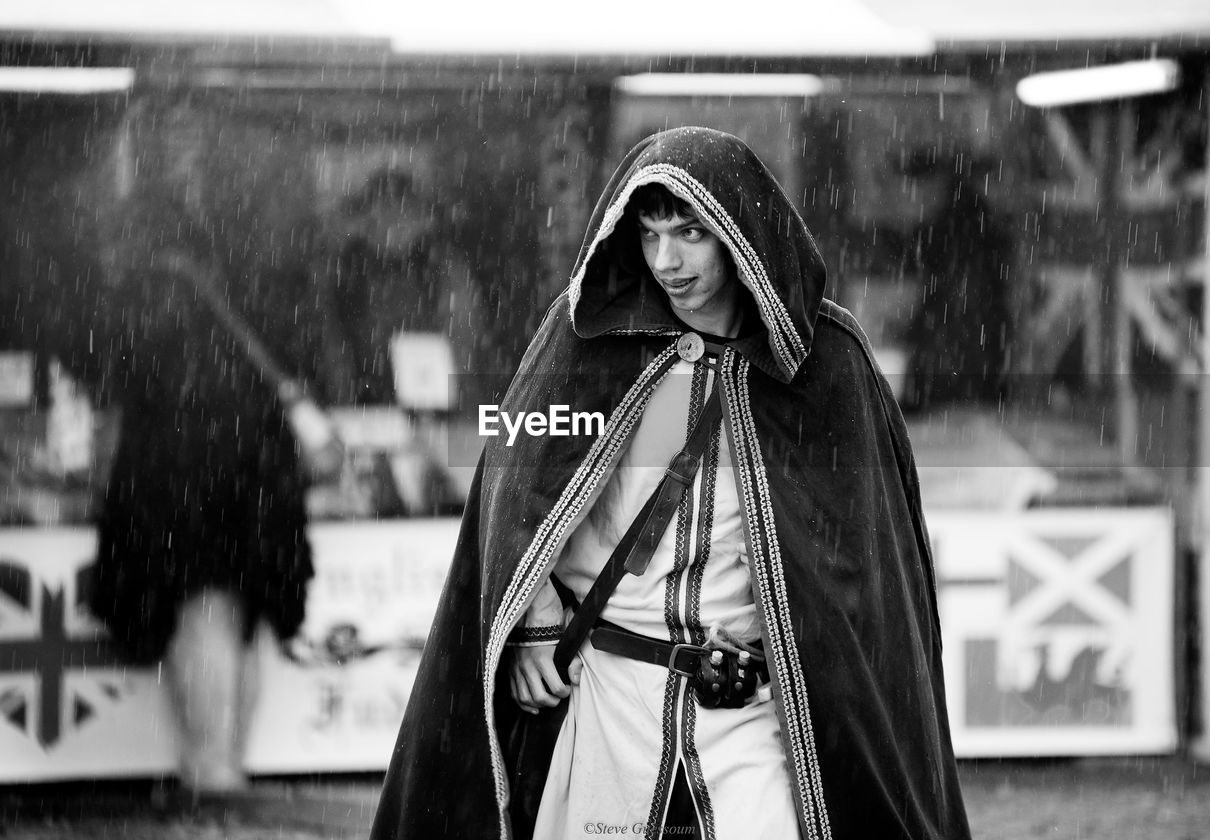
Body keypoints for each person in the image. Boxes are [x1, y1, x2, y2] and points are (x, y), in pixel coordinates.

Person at [370, 126, 971, 839]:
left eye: (690, 233)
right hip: (608, 694)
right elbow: (511, 487)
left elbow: (869, 576)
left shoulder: (824, 365)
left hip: (755, 713)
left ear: (741, 235)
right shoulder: (588, 343)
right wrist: (531, 617)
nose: (667, 261)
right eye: (650, 233)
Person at [89, 245, 316, 800]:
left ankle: (211, 769)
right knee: (237, 620)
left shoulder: (158, 299)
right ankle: (222, 762)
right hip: (255, 472)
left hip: (188, 475)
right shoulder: (246, 296)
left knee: (203, 611)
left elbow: (120, 399)